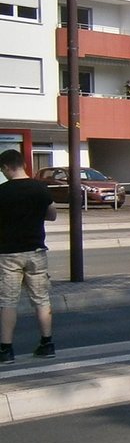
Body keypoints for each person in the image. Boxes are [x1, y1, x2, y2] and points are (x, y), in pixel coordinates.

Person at [0, 149, 57, 364]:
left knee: (8, 301)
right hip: (36, 251)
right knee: (41, 299)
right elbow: (52, 215)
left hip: (8, 253)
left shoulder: (2, 192)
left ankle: (6, 350)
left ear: (7, 167)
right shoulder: (40, 188)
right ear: (22, 164)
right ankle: (47, 343)